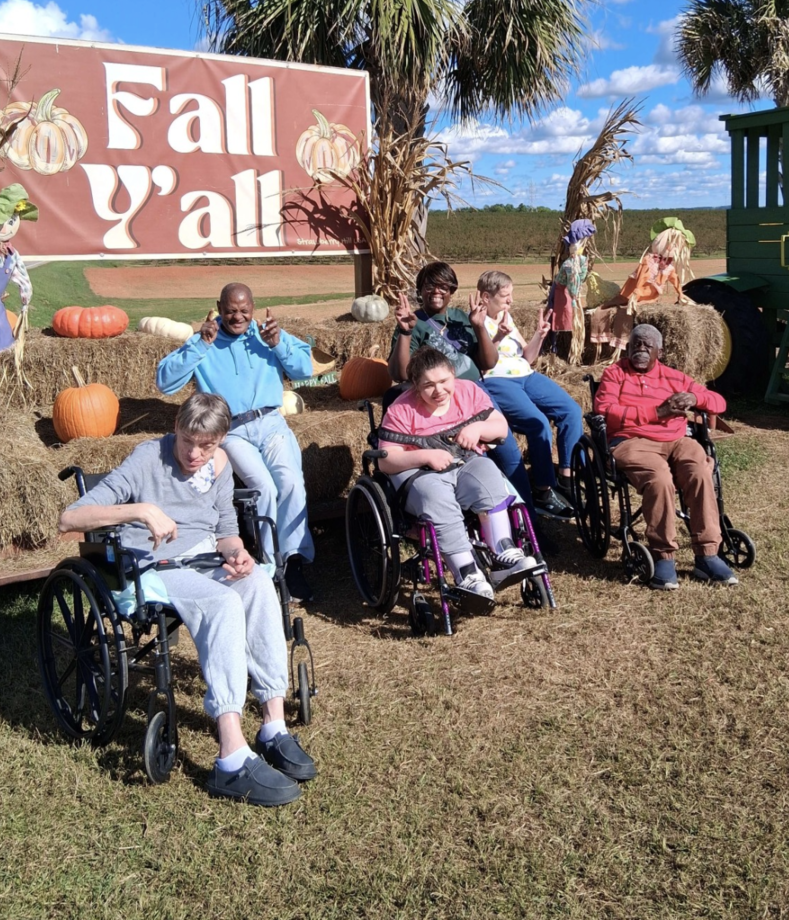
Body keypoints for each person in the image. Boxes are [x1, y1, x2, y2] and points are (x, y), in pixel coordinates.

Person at [58, 393, 317, 807]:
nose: (194, 454)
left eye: (207, 446)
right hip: (155, 568)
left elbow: (227, 529)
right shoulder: (148, 458)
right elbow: (69, 518)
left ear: (221, 441)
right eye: (186, 442)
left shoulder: (220, 465)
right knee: (223, 604)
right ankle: (230, 758)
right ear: (176, 428)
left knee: (257, 586)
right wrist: (140, 510)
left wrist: (237, 553)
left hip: (204, 560)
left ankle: (273, 726)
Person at [156, 282, 315, 602]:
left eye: (244, 311)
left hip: (271, 422)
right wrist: (199, 344)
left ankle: (295, 558)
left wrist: (279, 342)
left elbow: (306, 369)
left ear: (253, 308)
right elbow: (165, 381)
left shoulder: (266, 334)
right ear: (219, 307)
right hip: (233, 431)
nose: (237, 316)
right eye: (230, 311)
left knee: (291, 483)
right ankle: (274, 566)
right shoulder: (206, 340)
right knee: (264, 488)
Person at [378, 346, 539, 600]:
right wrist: (425, 455)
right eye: (428, 385)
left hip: (463, 462)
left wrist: (478, 428)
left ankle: (503, 552)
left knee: (488, 472)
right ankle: (467, 573)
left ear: (453, 374)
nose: (439, 390)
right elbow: (386, 462)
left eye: (444, 381)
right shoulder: (400, 409)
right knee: (436, 495)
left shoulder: (469, 391)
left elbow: (500, 427)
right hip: (418, 474)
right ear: (415, 386)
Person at [593, 323, 736, 591]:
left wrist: (694, 397)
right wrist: (657, 413)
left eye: (648, 345)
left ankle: (707, 554)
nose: (641, 349)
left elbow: (719, 402)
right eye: (636, 343)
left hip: (677, 440)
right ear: (627, 346)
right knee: (659, 479)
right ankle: (663, 556)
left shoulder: (675, 377)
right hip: (631, 440)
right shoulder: (614, 374)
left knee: (700, 472)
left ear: (660, 350)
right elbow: (604, 408)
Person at [387, 261, 536, 519]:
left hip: (472, 396)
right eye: (429, 286)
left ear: (452, 290)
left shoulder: (461, 318)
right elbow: (400, 374)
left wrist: (479, 326)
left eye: (444, 286)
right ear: (419, 290)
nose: (436, 291)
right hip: (437, 401)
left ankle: (526, 519)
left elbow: (488, 362)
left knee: (508, 452)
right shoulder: (415, 322)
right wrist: (405, 332)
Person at [477, 269, 582, 518]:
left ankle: (566, 478)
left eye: (510, 295)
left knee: (571, 410)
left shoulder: (506, 316)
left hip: (526, 375)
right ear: (485, 296)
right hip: (499, 380)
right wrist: (498, 335)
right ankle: (542, 492)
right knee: (539, 424)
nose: (510, 301)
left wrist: (540, 335)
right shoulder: (476, 321)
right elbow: (483, 363)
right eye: (505, 296)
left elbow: (528, 357)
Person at [588, 220, 696, 354]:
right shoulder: (648, 260)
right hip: (631, 293)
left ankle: (616, 337)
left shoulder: (669, 266)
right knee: (616, 305)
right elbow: (641, 279)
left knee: (624, 310)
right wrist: (635, 295)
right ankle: (599, 318)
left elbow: (675, 280)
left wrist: (680, 294)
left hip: (649, 297)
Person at [0, 183, 37, 355]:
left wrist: (25, 303)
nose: (8, 227)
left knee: (4, 346)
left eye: (13, 221)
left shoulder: (11, 255)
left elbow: (24, 280)